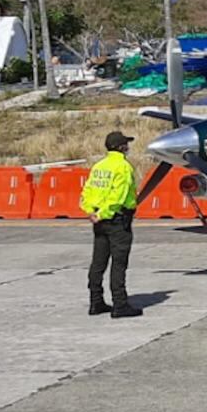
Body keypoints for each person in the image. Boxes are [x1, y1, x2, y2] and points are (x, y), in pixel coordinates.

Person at [80, 130, 141, 318]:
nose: (128, 147)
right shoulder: (123, 167)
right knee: (118, 263)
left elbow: (87, 191)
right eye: (126, 144)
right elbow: (119, 197)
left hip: (98, 220)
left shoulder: (99, 166)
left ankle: (95, 301)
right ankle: (120, 304)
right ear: (121, 147)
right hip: (117, 219)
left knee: (98, 262)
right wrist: (104, 213)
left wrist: (91, 212)